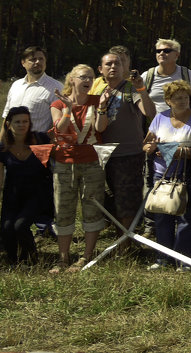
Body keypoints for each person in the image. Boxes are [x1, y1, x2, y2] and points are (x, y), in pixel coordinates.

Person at [143, 80, 191, 270]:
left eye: (185, 97)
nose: (182, 101)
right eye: (177, 98)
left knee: (186, 218)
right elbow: (146, 144)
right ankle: (163, 259)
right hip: (161, 176)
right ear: (168, 101)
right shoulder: (159, 118)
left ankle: (185, 260)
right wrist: (150, 148)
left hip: (187, 174)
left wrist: (177, 151)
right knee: (162, 217)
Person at [48, 65, 108, 273]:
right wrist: (68, 109)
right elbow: (59, 130)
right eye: (83, 77)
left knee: (92, 207)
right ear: (72, 79)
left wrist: (102, 107)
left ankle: (86, 257)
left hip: (92, 162)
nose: (88, 81)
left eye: (91, 78)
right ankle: (63, 259)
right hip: (64, 163)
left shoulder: (96, 101)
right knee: (63, 209)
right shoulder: (58, 102)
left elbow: (101, 128)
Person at [96, 51, 153, 237]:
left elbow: (149, 112)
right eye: (109, 64)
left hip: (128, 154)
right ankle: (119, 236)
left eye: (117, 64)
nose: (113, 67)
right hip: (102, 154)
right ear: (100, 69)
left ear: (124, 68)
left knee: (127, 200)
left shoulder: (131, 89)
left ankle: (126, 245)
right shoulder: (97, 91)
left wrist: (142, 89)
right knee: (107, 198)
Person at [0, 106, 53, 264]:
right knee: (7, 227)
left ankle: (31, 260)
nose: (22, 125)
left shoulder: (40, 140)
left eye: (25, 121)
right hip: (13, 194)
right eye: (17, 122)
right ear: (9, 124)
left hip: (38, 193)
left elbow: (60, 133)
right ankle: (12, 261)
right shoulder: (3, 148)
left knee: (20, 226)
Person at [4, 46, 62, 133]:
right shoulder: (16, 85)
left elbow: (59, 122)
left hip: (38, 144)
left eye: (41, 59)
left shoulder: (56, 87)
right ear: (23, 63)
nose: (38, 62)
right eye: (33, 59)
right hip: (12, 144)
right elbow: (7, 118)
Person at [141, 38, 191, 114]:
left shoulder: (189, 76)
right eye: (158, 51)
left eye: (166, 51)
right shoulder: (146, 76)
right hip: (154, 124)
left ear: (177, 55)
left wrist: (187, 123)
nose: (161, 53)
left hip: (182, 124)